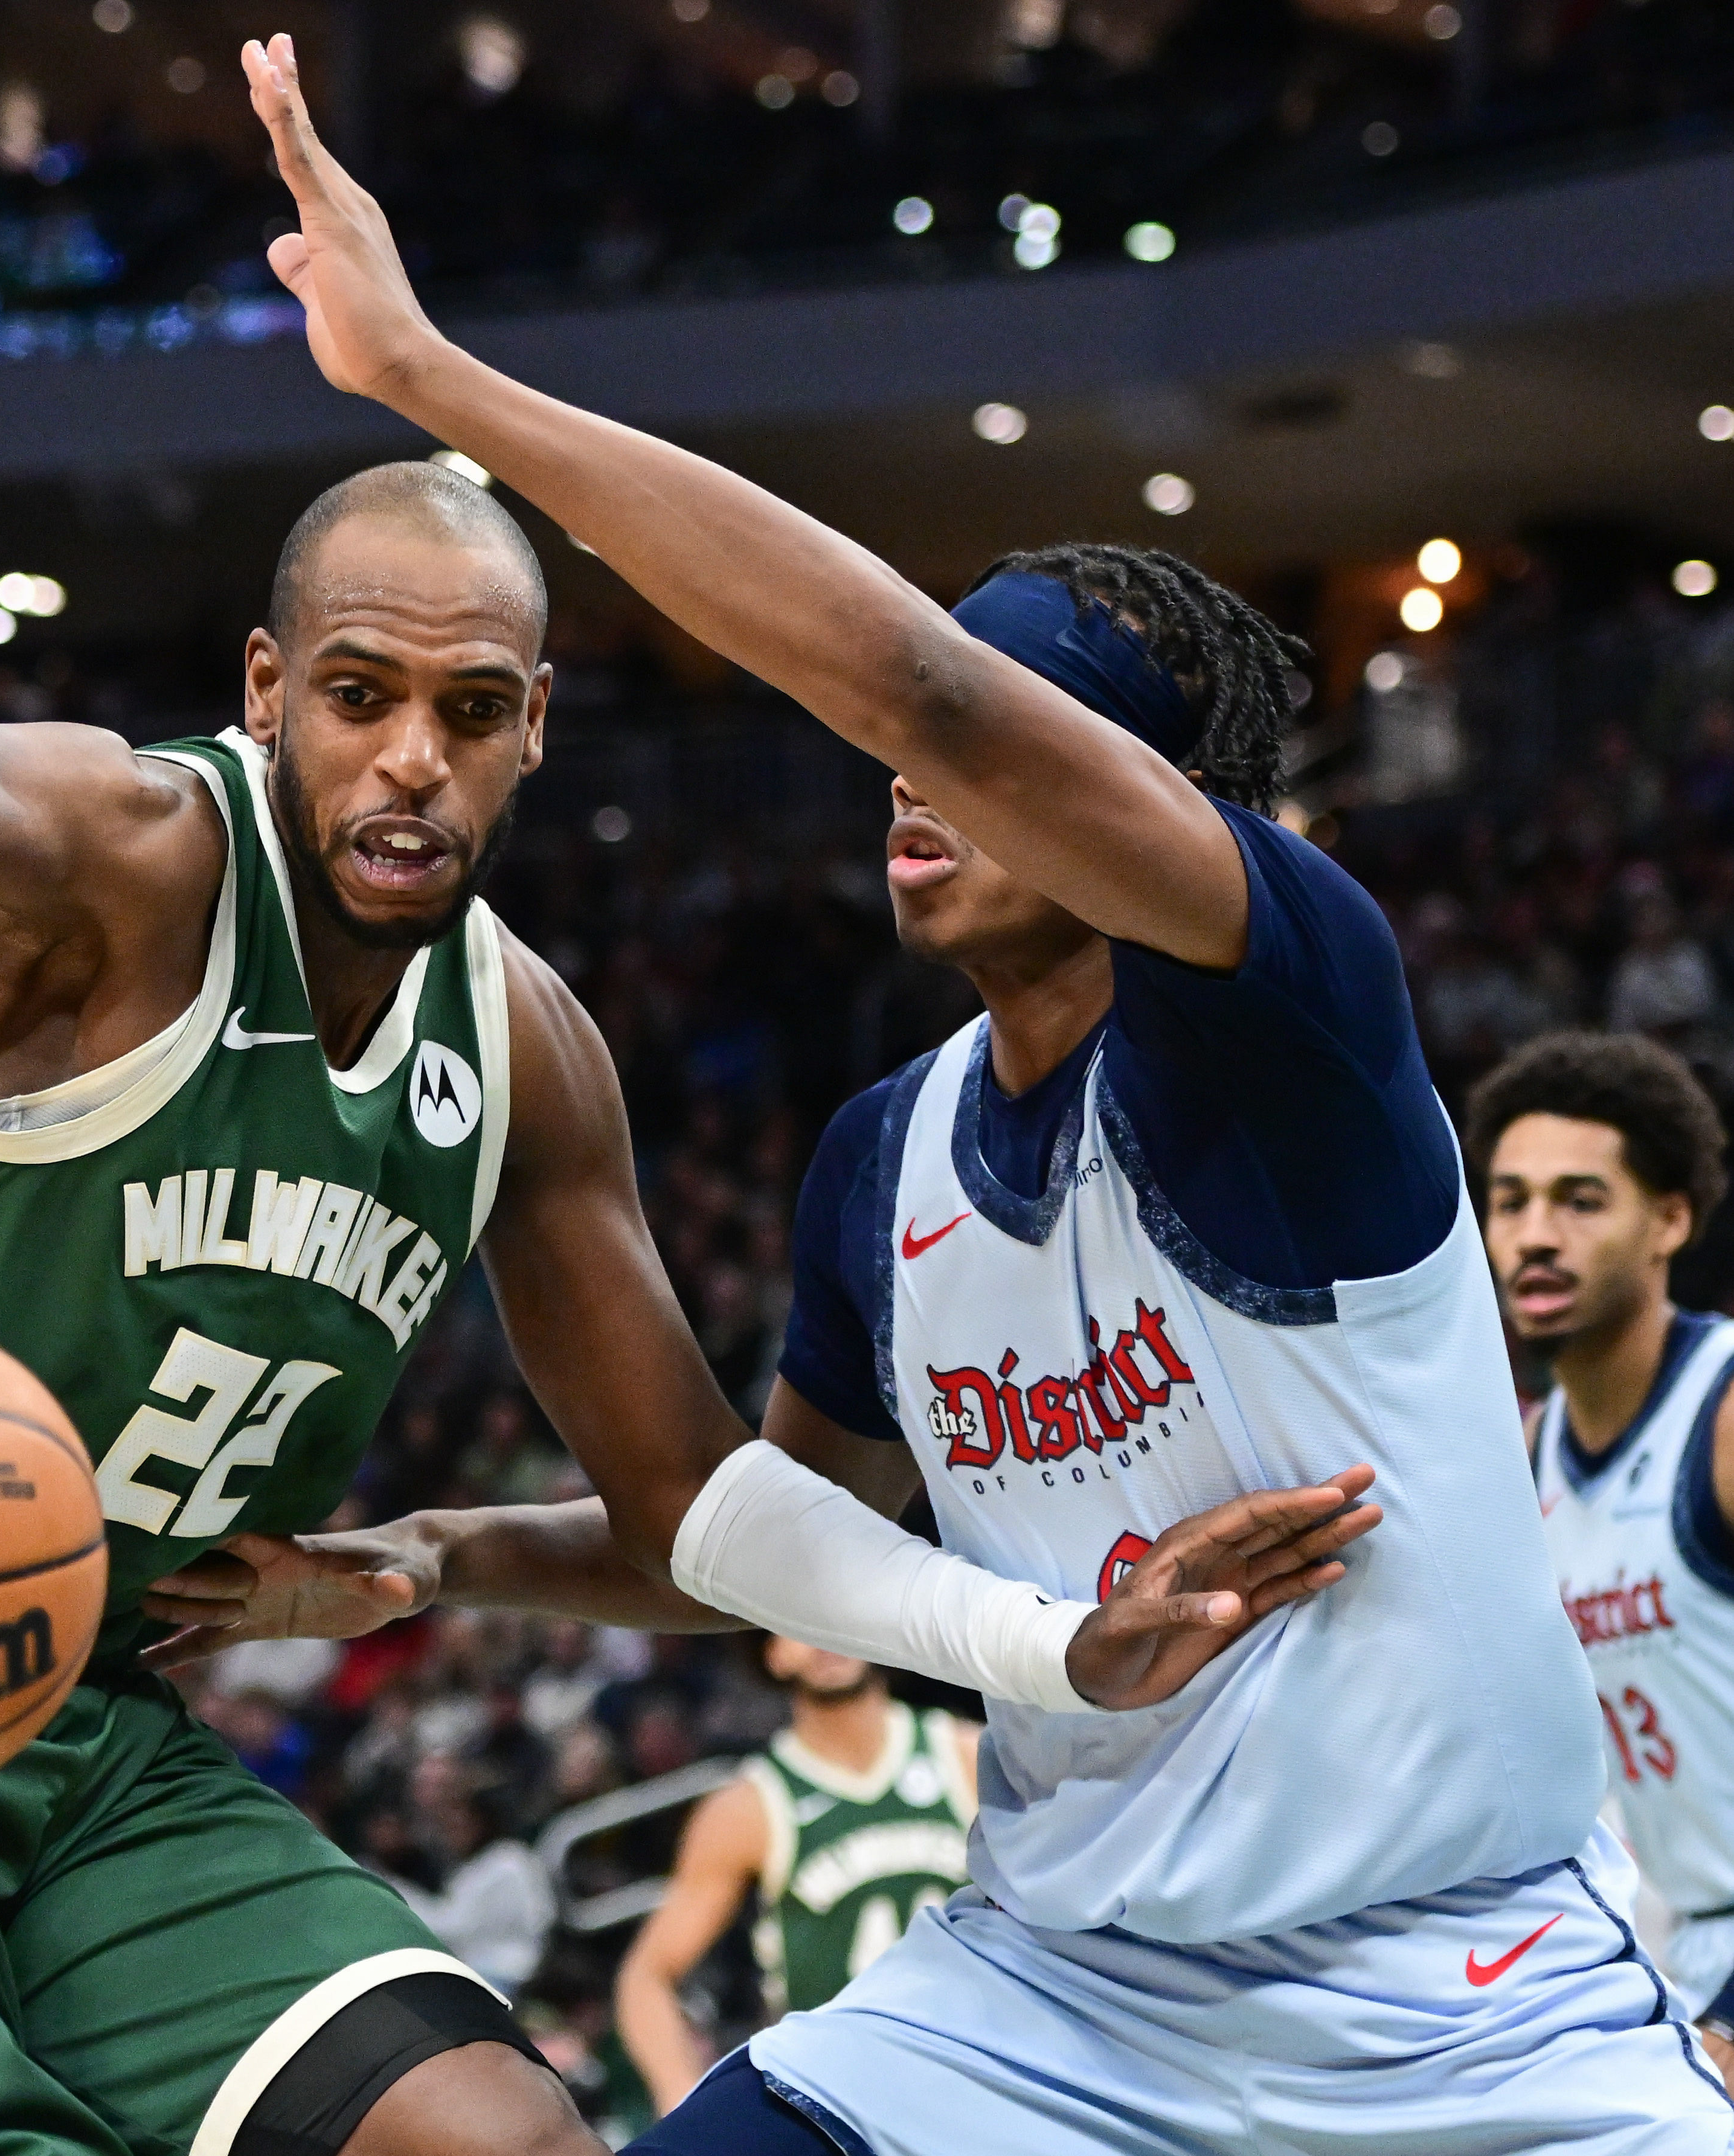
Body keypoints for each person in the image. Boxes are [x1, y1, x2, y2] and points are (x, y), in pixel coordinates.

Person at [213, 30, 1732, 2152]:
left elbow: (904, 677)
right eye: (922, 744)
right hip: (1048, 2004)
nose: (910, 771)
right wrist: (430, 1554)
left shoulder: (1283, 1009)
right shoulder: (883, 1158)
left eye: (1000, 735)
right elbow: (754, 1541)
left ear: (1146, 805)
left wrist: (434, 386)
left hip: (1461, 2010)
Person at [0, 466, 1373, 2148]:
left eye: (470, 712)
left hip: (82, 1740)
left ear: (534, 727)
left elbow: (697, 1517)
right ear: (265, 693)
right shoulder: (131, 855)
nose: (413, 757)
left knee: (505, 2137)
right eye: (360, 696)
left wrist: (1042, 1638)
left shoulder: (530, 1051)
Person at [1470, 1030, 1734, 2078]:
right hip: (1677, 1950)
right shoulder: (1520, 1461)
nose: (1537, 1235)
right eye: (1511, 1200)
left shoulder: (1719, 1418)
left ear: (1670, 1219)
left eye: (1581, 1201)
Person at [612, 1643, 976, 2112]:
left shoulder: (966, 1754)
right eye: (798, 1625)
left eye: (835, 1614)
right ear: (769, 1653)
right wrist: (680, 2100)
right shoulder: (748, 1805)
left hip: (969, 2071)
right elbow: (646, 1976)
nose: (824, 1639)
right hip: (841, 2099)